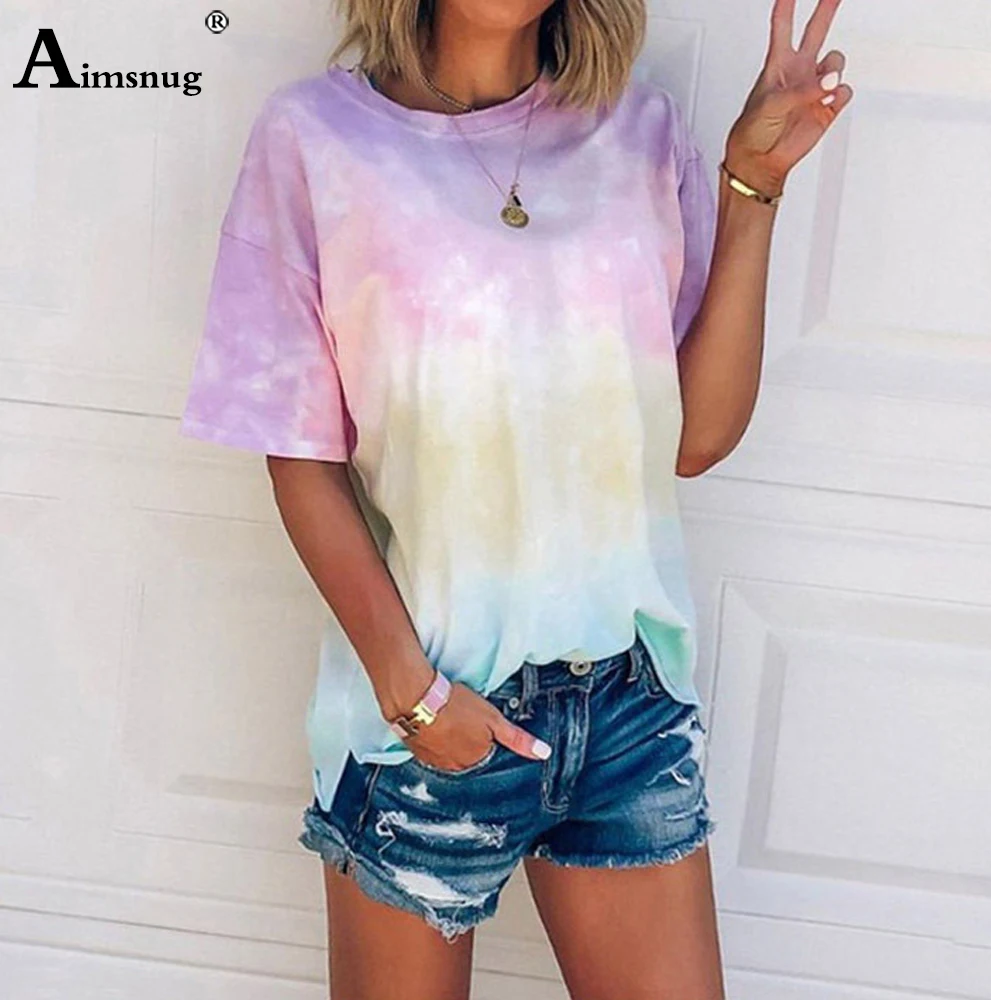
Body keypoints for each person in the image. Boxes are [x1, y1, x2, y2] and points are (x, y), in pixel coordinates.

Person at [179, 0, 851, 996]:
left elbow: (696, 438)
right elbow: (300, 455)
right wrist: (413, 694)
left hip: (629, 708)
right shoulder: (315, 140)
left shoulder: (639, 131)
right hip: (426, 715)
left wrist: (752, 187)